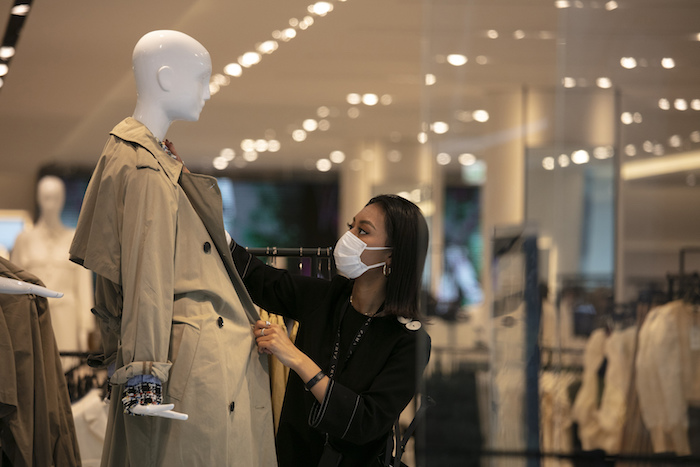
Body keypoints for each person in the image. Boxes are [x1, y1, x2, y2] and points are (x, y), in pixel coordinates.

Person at [68, 30, 276, 466]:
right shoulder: (144, 166)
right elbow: (148, 279)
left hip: (188, 355)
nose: (207, 89)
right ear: (165, 78)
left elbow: (120, 276)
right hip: (192, 366)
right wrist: (144, 375)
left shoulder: (139, 156)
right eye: (201, 77)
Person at [231, 194, 431, 466]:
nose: (348, 236)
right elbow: (256, 277)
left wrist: (296, 358)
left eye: (363, 231)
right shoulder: (326, 297)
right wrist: (194, 191)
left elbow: (366, 422)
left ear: (392, 255)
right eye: (351, 226)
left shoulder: (408, 340)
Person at [11, 175, 94, 371]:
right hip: (34, 317)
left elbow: (83, 287)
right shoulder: (23, 240)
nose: (51, 203)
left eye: (56, 197)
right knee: (36, 369)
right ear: (39, 199)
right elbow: (14, 288)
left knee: (67, 372)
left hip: (67, 319)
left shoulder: (74, 239)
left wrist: (85, 329)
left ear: (63, 199)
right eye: (47, 197)